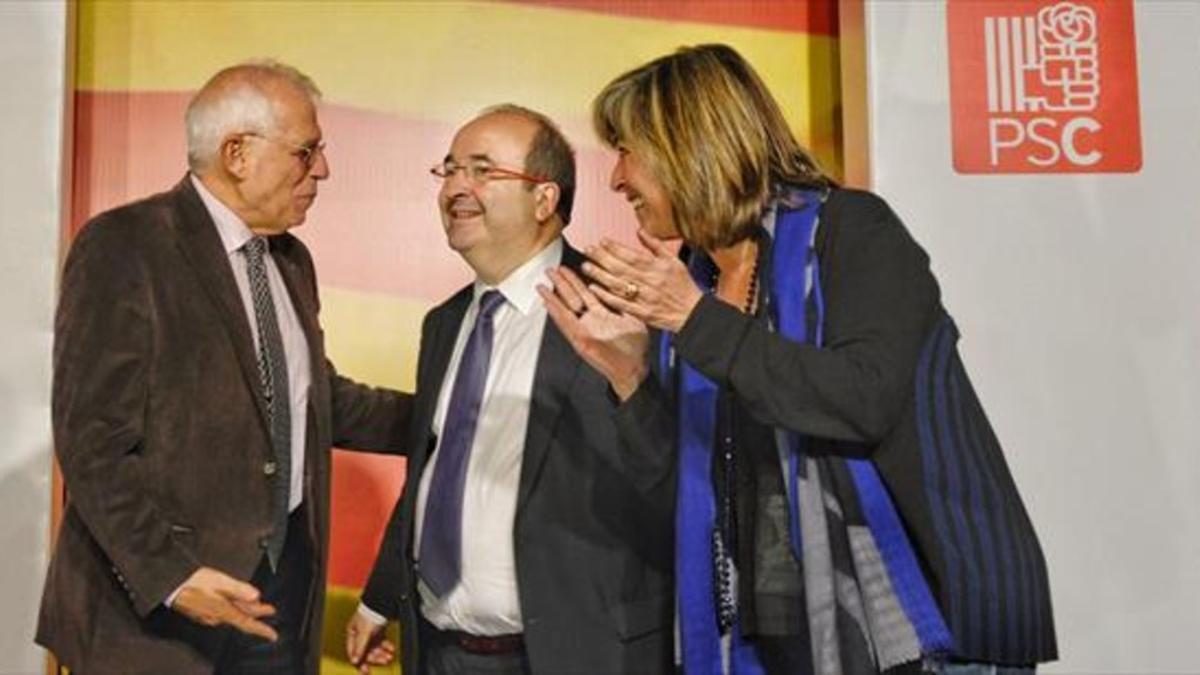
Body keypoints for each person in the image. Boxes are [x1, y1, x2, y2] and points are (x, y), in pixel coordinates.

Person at [542, 44, 1057, 675]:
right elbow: (682, 480)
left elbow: (861, 400)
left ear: (690, 143)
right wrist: (630, 378)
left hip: (925, 633)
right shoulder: (690, 283)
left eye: (628, 150)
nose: (617, 178)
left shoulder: (852, 230)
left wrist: (696, 322)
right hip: (771, 640)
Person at [37, 61, 412, 674]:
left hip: (277, 612)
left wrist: (451, 414)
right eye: (306, 151)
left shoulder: (291, 261)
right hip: (156, 621)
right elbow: (91, 442)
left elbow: (314, 399)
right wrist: (174, 577)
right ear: (237, 152)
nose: (322, 170)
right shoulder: (124, 245)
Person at [343, 105, 675, 675]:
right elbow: (437, 471)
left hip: (575, 656)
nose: (455, 188)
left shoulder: (617, 305)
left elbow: (671, 472)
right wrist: (381, 599)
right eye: (448, 170)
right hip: (440, 652)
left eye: (480, 170)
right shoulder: (444, 323)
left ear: (545, 200)